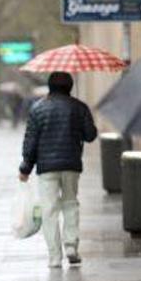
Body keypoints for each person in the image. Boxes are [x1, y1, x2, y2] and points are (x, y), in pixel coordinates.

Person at [19, 72, 97, 269]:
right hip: (71, 164)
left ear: (50, 87)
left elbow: (31, 141)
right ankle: (71, 246)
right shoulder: (79, 107)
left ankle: (54, 257)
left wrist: (25, 168)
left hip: (46, 168)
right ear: (70, 87)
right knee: (71, 203)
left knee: (49, 209)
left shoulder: (38, 109)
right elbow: (90, 136)